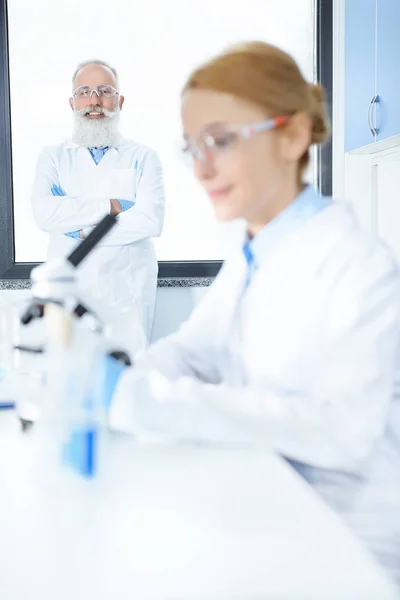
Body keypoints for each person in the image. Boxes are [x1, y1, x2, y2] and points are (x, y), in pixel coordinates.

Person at [107, 42, 400, 582]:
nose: (201, 168)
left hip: (351, 548)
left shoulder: (361, 267)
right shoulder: (253, 254)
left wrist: (152, 404)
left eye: (220, 140)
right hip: (271, 508)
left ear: (292, 136)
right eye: (192, 146)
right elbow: (192, 352)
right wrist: (123, 382)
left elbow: (343, 429)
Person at [31, 60, 165, 349]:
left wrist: (79, 230)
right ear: (72, 102)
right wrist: (114, 205)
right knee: (68, 377)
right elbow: (45, 215)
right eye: (84, 91)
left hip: (126, 291)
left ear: (119, 101)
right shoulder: (53, 157)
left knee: (125, 380)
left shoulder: (144, 157)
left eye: (104, 91)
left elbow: (150, 221)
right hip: (69, 289)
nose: (94, 100)